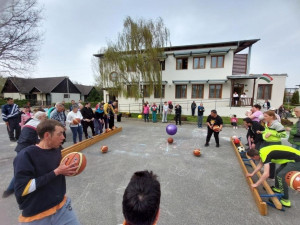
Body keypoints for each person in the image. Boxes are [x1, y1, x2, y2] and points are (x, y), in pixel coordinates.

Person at [13, 119, 81, 224]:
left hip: (62, 207)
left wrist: (65, 171)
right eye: (60, 134)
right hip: (37, 215)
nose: (63, 137)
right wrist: (56, 172)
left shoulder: (57, 149)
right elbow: (22, 189)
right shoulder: (26, 155)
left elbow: (55, 172)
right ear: (47, 135)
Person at [2, 111, 47, 198]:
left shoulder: (30, 121)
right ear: (40, 117)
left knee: (25, 169)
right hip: (26, 150)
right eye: (45, 117)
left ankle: (17, 188)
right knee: (22, 171)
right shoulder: (38, 125)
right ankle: (11, 189)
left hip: (21, 147)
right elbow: (38, 140)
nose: (46, 118)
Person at [257, 110, 287, 179]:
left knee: (272, 159)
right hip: (266, 142)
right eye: (264, 116)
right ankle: (266, 170)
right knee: (264, 156)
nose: (264, 117)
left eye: (266, 116)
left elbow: (283, 135)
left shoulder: (277, 124)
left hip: (274, 143)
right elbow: (267, 131)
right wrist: (261, 132)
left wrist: (272, 133)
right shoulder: (267, 123)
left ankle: (271, 175)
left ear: (271, 117)